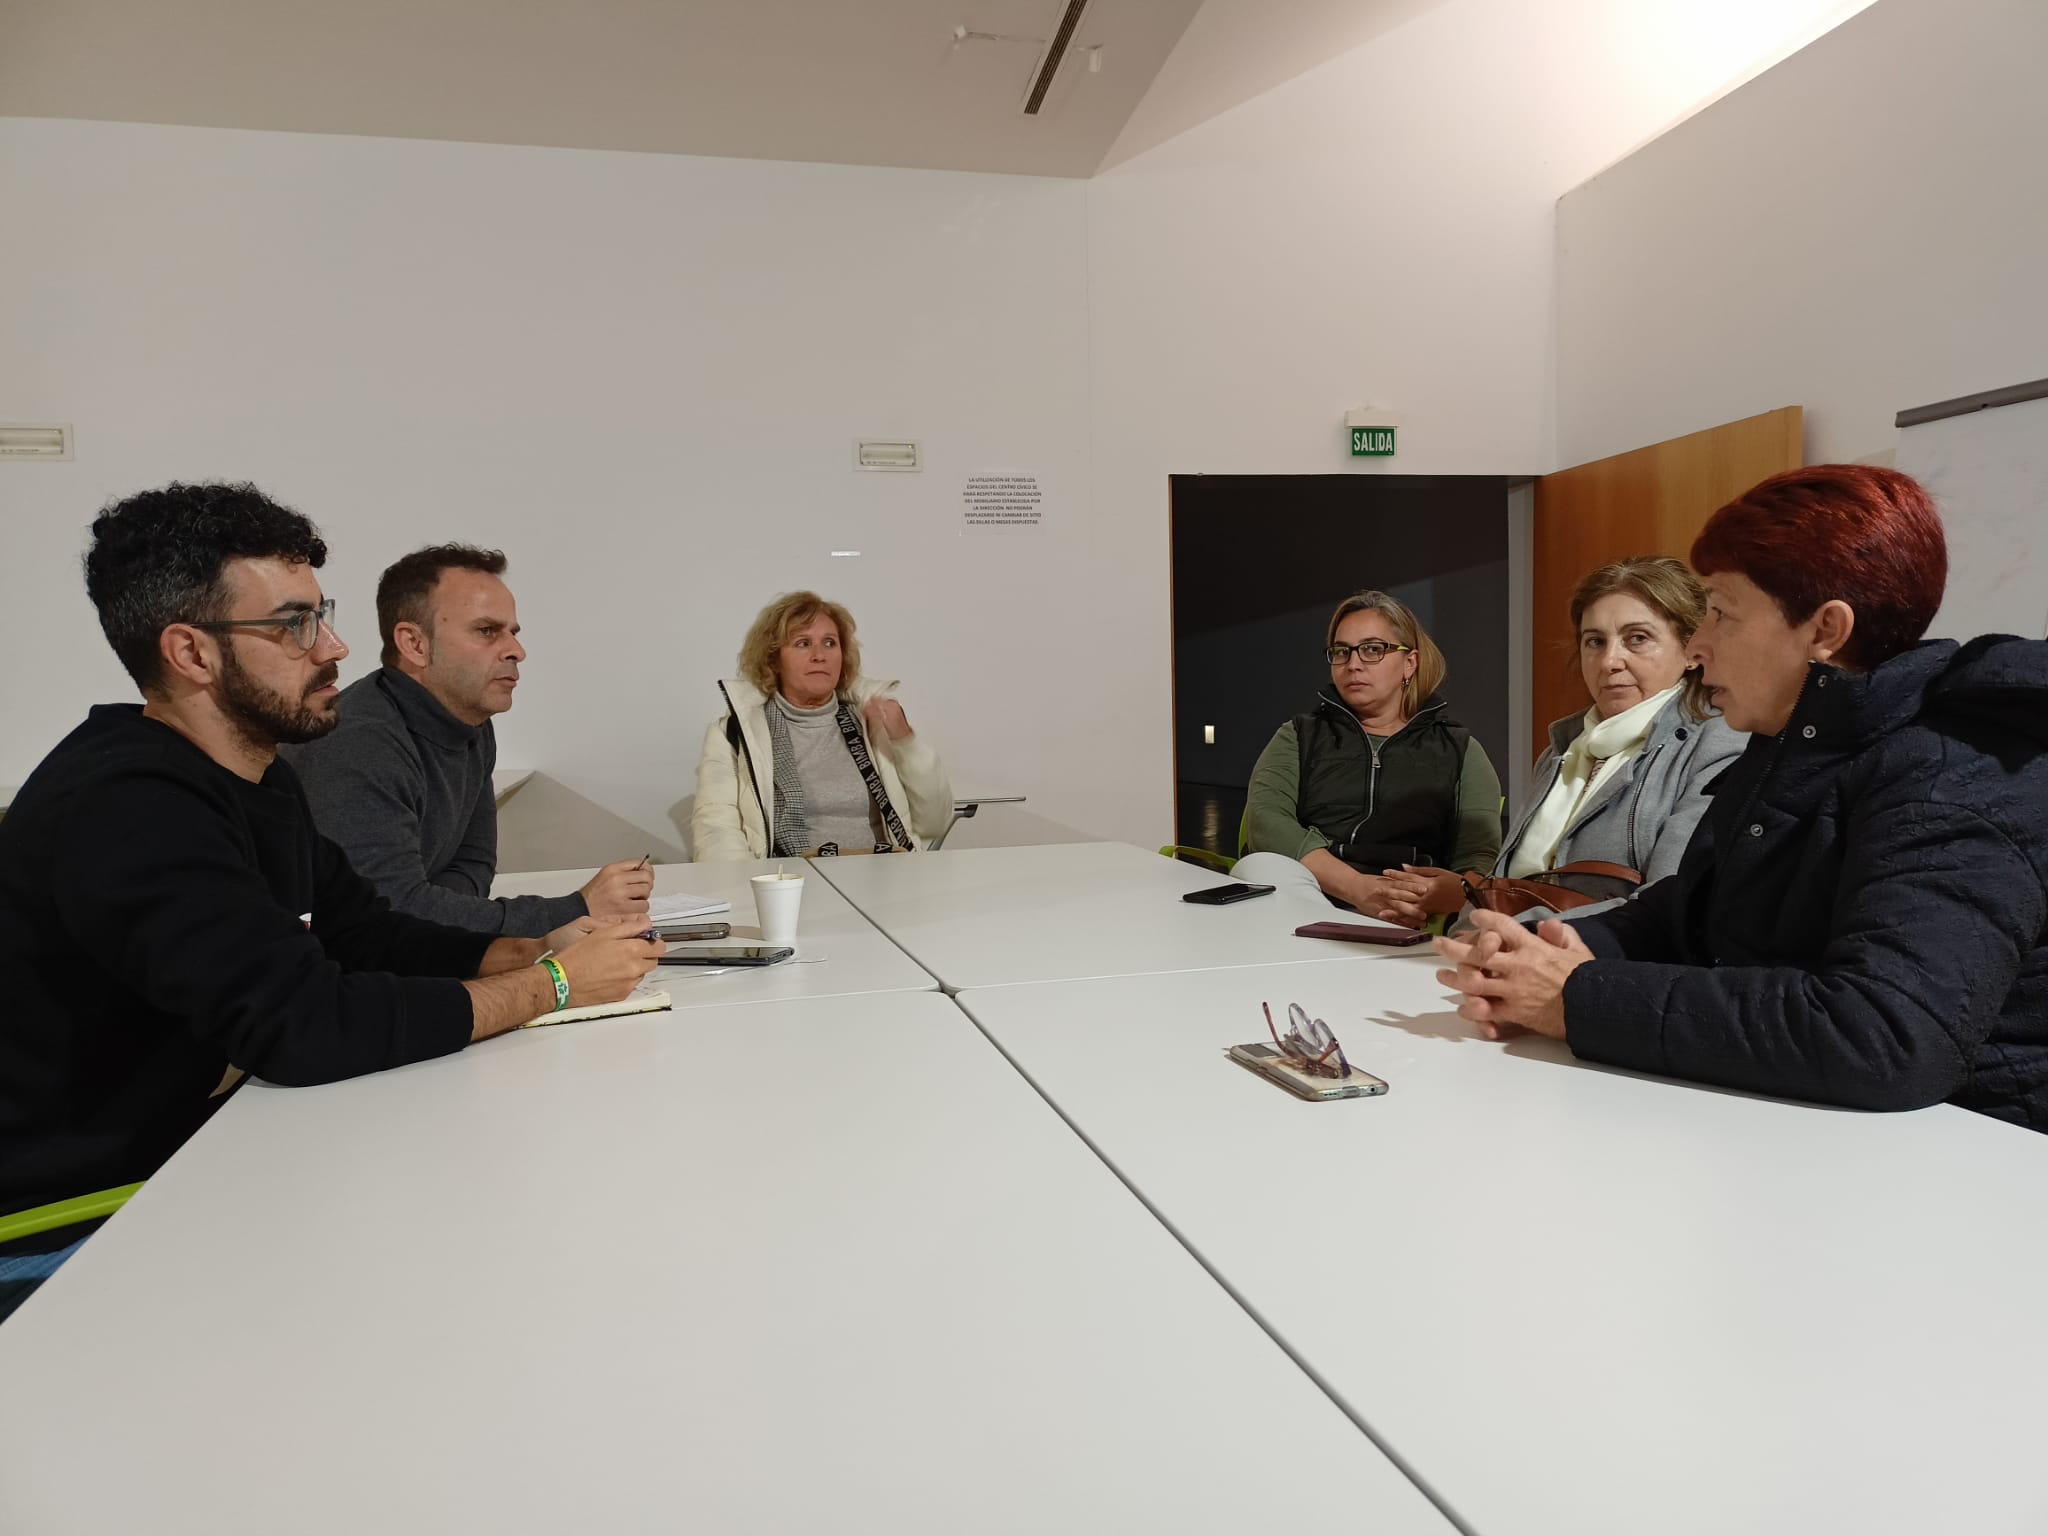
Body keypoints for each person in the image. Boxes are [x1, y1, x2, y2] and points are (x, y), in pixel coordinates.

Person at [0, 484, 660, 1322]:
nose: (337, 647)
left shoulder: (258, 777)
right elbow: (305, 1026)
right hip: (71, 1221)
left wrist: (536, 949)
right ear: (192, 653)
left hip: (195, 1161)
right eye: (294, 625)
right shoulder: (128, 803)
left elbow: (367, 933)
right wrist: (555, 987)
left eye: (323, 615)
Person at [1435, 465, 2048, 1128]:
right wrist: (1552, 948)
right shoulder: (1792, 741)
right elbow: (1689, 913)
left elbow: (1884, 1036)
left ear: (1825, 631)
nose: (1697, 647)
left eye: (1720, 614)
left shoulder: (1955, 775)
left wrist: (1575, 998)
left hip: (1979, 1151)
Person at [284, 545, 651, 935]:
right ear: (414, 644)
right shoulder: (357, 741)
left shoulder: (469, 719)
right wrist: (575, 909)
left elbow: (474, 863)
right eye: (487, 631)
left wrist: (439, 914)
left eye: (512, 633)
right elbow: (385, 914)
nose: (517, 651)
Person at [1377, 557, 1745, 924]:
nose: (1609, 661)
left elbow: (1670, 906)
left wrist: (1519, 935)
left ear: (1691, 650)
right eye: (1595, 641)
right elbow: (1514, 883)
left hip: (1581, 955)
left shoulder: (1717, 745)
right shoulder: (1564, 749)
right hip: (1496, 945)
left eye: (1638, 638)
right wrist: (1467, 915)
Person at [1234, 590, 1502, 921]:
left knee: (1486, 907)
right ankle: (1334, 935)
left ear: (1409, 663)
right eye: (1341, 651)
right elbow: (1266, 822)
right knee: (1258, 867)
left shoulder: (1459, 748)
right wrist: (1357, 889)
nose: (1354, 664)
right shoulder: (1299, 735)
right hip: (1314, 892)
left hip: (1409, 903)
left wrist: (1440, 894)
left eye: (1373, 649)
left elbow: (1479, 856)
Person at [692, 592, 952, 860]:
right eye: (803, 644)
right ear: (773, 660)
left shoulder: (873, 723)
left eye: (830, 643)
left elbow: (936, 822)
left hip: (886, 873)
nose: (819, 655)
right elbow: (716, 835)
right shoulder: (734, 733)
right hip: (793, 879)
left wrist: (906, 742)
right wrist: (756, 885)